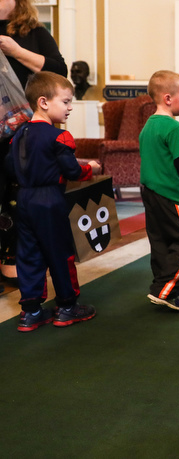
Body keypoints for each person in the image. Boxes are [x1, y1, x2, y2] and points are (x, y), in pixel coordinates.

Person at [7, 71, 100, 332]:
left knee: (29, 255)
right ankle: (67, 307)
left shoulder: (19, 134)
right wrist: (90, 168)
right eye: (66, 102)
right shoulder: (59, 136)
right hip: (50, 200)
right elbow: (72, 171)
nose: (70, 108)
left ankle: (31, 311)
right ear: (44, 102)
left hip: (23, 199)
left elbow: (10, 167)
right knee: (60, 253)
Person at [0, 0, 69, 284]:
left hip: (23, 130)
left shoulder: (32, 31)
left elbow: (58, 71)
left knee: (17, 198)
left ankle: (18, 264)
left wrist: (16, 51)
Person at [139, 70, 179, 312]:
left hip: (150, 191)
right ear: (167, 99)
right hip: (172, 194)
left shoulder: (149, 126)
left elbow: (163, 159)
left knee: (161, 240)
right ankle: (164, 289)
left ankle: (167, 285)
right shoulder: (175, 128)